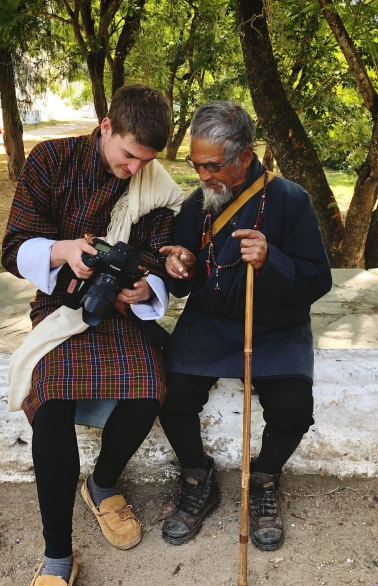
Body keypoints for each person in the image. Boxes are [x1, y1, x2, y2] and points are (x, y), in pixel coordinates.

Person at [2, 84, 185, 586]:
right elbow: (14, 246)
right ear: (106, 126)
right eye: (128, 156)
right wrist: (64, 251)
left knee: (150, 386)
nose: (134, 171)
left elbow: (160, 247)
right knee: (54, 401)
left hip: (118, 309)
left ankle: (102, 484)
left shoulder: (154, 181)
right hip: (60, 304)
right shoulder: (52, 159)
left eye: (144, 162)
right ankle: (58, 557)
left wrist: (148, 282)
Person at [158, 101, 332, 552]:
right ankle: (199, 477)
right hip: (210, 323)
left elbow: (318, 279)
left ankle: (264, 482)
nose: (203, 176)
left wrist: (272, 260)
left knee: (294, 403)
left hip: (276, 325)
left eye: (213, 165)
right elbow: (181, 278)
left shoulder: (291, 200)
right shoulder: (198, 204)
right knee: (169, 391)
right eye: (196, 165)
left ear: (245, 157)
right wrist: (181, 265)